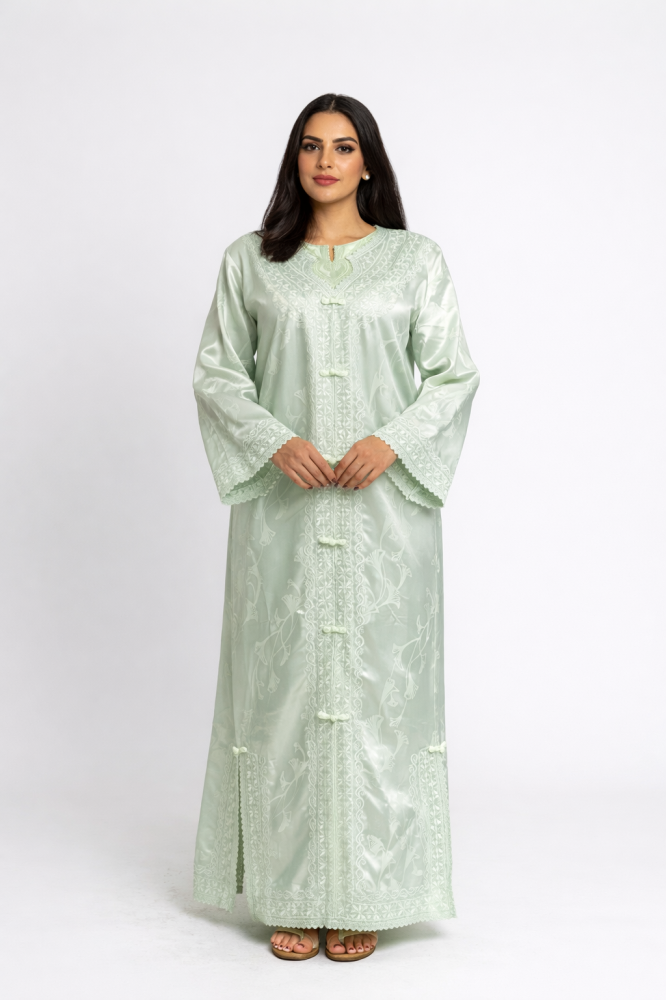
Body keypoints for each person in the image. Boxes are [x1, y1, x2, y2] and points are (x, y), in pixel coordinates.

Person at [192, 93, 479, 962]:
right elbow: (218, 373)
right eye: (312, 146)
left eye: (344, 147)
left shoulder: (414, 261)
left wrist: (392, 442)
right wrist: (273, 441)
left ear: (367, 162)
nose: (326, 161)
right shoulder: (252, 262)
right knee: (283, 695)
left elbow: (453, 376)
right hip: (283, 518)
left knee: (382, 695)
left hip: (386, 522)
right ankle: (293, 889)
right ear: (296, 159)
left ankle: (367, 891)